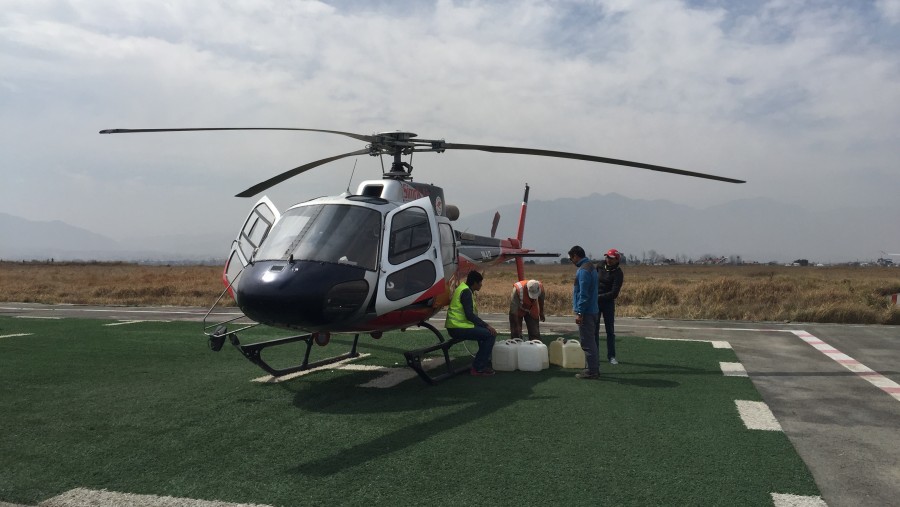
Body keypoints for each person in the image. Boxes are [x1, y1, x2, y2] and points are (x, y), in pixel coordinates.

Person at [446, 270, 498, 376]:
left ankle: (483, 361)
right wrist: (487, 325)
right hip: (458, 328)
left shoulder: (464, 289)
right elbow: (469, 315)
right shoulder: (466, 292)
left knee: (483, 333)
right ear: (474, 283)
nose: (481, 285)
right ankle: (478, 368)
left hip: (456, 326)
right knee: (489, 335)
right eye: (480, 283)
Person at [568, 245, 600, 379]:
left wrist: (580, 312)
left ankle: (592, 370)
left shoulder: (583, 271)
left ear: (576, 255)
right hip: (593, 310)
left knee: (587, 342)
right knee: (591, 341)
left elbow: (583, 294)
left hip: (586, 312)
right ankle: (592, 368)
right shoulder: (591, 267)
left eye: (571, 258)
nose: (572, 261)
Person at [595, 248, 624, 365]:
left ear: (617, 260)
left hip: (607, 303)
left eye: (611, 258)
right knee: (594, 330)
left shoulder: (618, 273)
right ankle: (594, 355)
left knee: (610, 331)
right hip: (596, 302)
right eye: (607, 257)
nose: (608, 260)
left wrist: (598, 297)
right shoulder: (600, 265)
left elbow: (614, 293)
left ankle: (611, 356)